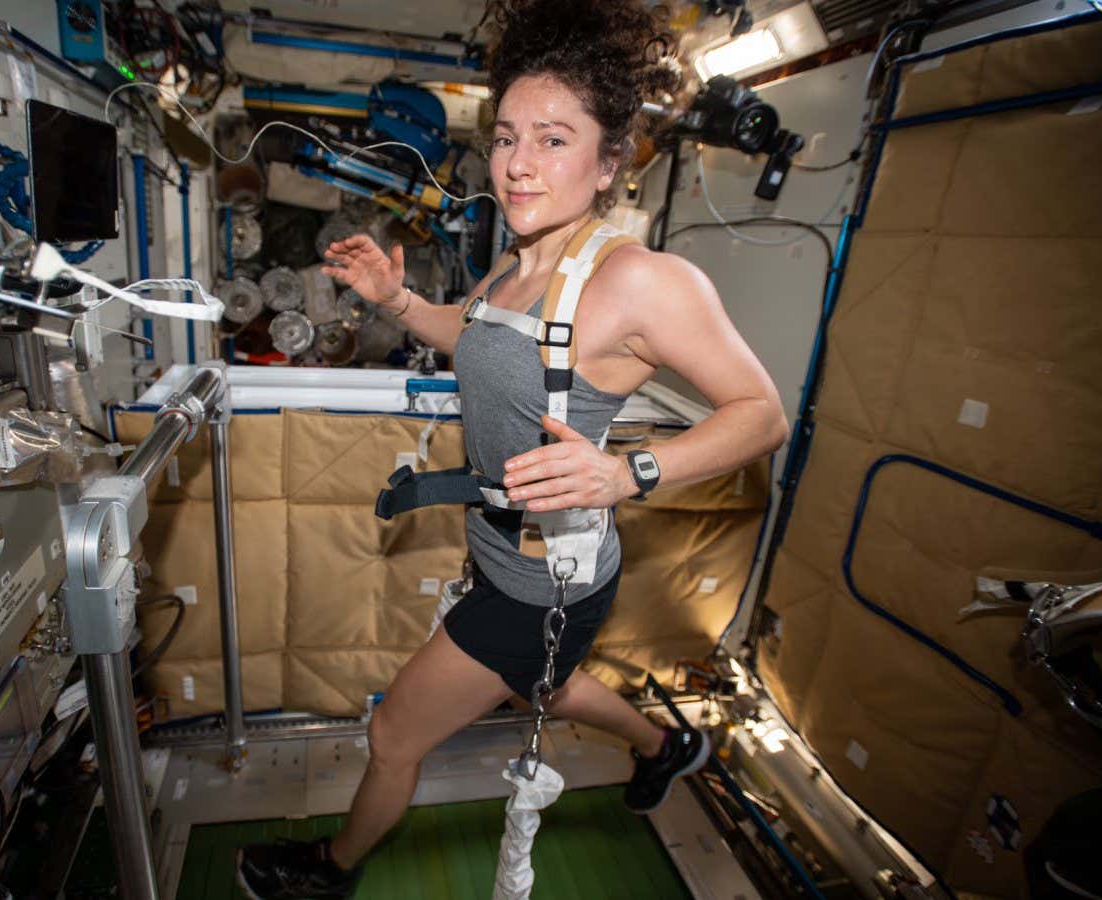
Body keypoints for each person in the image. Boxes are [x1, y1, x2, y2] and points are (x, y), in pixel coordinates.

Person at [237, 1, 788, 896]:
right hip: (505, 547)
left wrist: (627, 471)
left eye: (554, 138)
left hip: (543, 580)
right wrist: (397, 300)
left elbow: (762, 413)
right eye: (506, 137)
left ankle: (329, 872)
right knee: (552, 688)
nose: (519, 162)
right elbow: (479, 335)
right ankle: (671, 745)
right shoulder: (516, 256)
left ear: (611, 159)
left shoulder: (641, 280)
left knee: (396, 736)